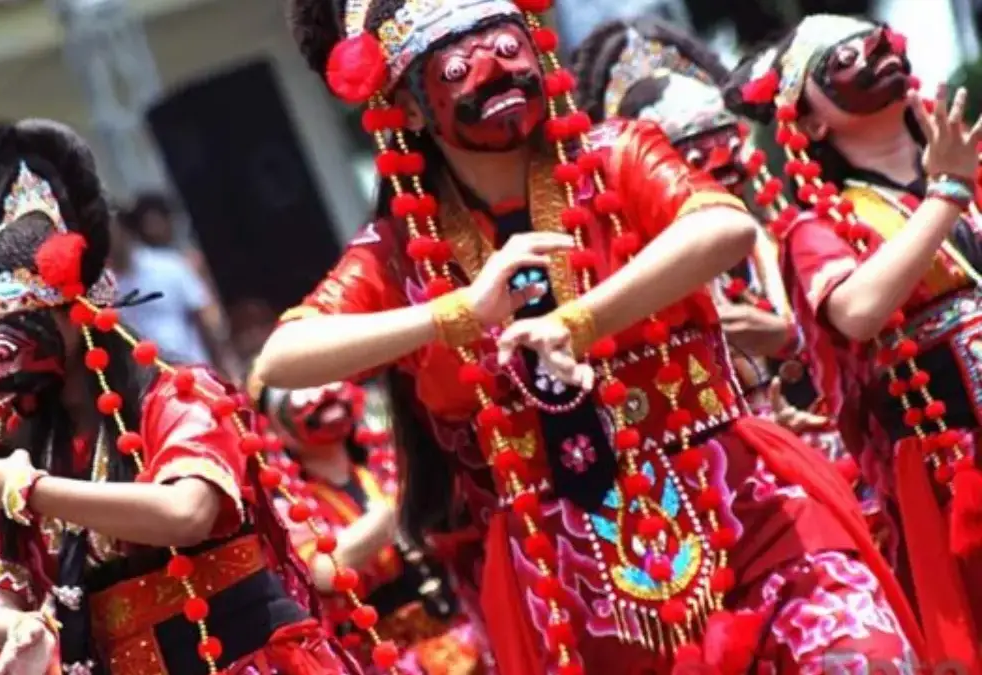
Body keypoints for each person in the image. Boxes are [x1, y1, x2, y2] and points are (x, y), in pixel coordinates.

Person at [258, 1, 925, 672]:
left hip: (742, 501)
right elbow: (284, 357)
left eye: (510, 49)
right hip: (569, 570)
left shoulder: (615, 155)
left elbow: (721, 228)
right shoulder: (404, 249)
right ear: (403, 107)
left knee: (858, 657)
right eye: (460, 66)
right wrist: (458, 311)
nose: (498, 74)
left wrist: (579, 321)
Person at [0, 119, 358, 675]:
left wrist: (33, 490)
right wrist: (13, 622)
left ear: (78, 314)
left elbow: (186, 512)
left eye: (11, 334)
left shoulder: (175, 396)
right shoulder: (26, 441)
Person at [723, 14, 982, 668]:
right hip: (953, 466)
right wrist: (947, 191)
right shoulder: (818, 228)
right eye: (840, 59)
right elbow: (860, 309)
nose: (871, 53)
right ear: (810, 123)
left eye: (876, 41)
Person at [569, 16, 861, 493]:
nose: (719, 168)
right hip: (713, 482)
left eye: (723, 144)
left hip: (832, 466)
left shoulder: (785, 242)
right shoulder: (628, 287)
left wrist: (791, 342)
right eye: (692, 157)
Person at [260, 381, 486, 674]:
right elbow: (325, 571)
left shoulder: (387, 465)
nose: (323, 393)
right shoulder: (289, 507)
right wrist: (405, 501)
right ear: (273, 430)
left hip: (463, 634)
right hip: (386, 660)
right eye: (301, 388)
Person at [111, 204, 234, 375]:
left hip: (193, 370)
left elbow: (204, 319)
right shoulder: (103, 290)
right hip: (147, 385)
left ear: (125, 229)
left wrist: (223, 368)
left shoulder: (169, 266)